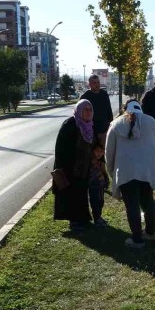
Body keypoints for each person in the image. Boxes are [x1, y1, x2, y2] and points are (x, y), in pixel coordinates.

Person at [106, 99, 155, 248]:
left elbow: (109, 152)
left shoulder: (116, 124)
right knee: (148, 202)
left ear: (124, 109)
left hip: (125, 171)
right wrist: (150, 158)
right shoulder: (151, 122)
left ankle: (137, 239)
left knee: (131, 205)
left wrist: (112, 170)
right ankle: (150, 233)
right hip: (147, 170)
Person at [53, 99, 95, 231]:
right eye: (85, 110)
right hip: (70, 167)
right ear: (79, 110)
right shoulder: (70, 124)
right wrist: (61, 168)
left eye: (90, 110)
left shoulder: (89, 125)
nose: (88, 112)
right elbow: (60, 148)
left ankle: (83, 218)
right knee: (71, 193)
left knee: (82, 193)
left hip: (84, 167)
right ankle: (74, 221)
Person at [80, 74, 114, 146]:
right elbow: (80, 116)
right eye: (94, 83)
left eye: (98, 82)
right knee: (91, 154)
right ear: (90, 84)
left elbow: (109, 111)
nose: (97, 84)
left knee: (103, 153)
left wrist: (111, 126)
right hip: (91, 132)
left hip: (104, 130)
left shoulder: (104, 94)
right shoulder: (85, 97)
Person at [88, 141, 110, 227]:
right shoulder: (89, 162)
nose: (99, 153)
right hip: (93, 187)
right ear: (93, 151)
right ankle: (96, 219)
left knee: (101, 202)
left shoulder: (101, 162)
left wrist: (106, 180)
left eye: (101, 151)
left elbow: (104, 172)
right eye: (97, 151)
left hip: (101, 186)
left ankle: (99, 217)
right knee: (95, 203)